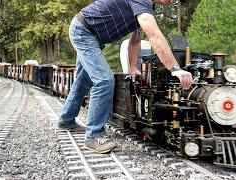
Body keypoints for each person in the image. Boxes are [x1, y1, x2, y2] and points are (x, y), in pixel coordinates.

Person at [58, 0, 192, 154]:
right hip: (84, 31)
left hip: (91, 35)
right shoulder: (142, 1)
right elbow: (154, 35)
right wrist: (175, 68)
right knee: (104, 80)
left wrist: (133, 67)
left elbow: (135, 41)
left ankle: (66, 120)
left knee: (83, 80)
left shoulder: (147, 7)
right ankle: (94, 136)